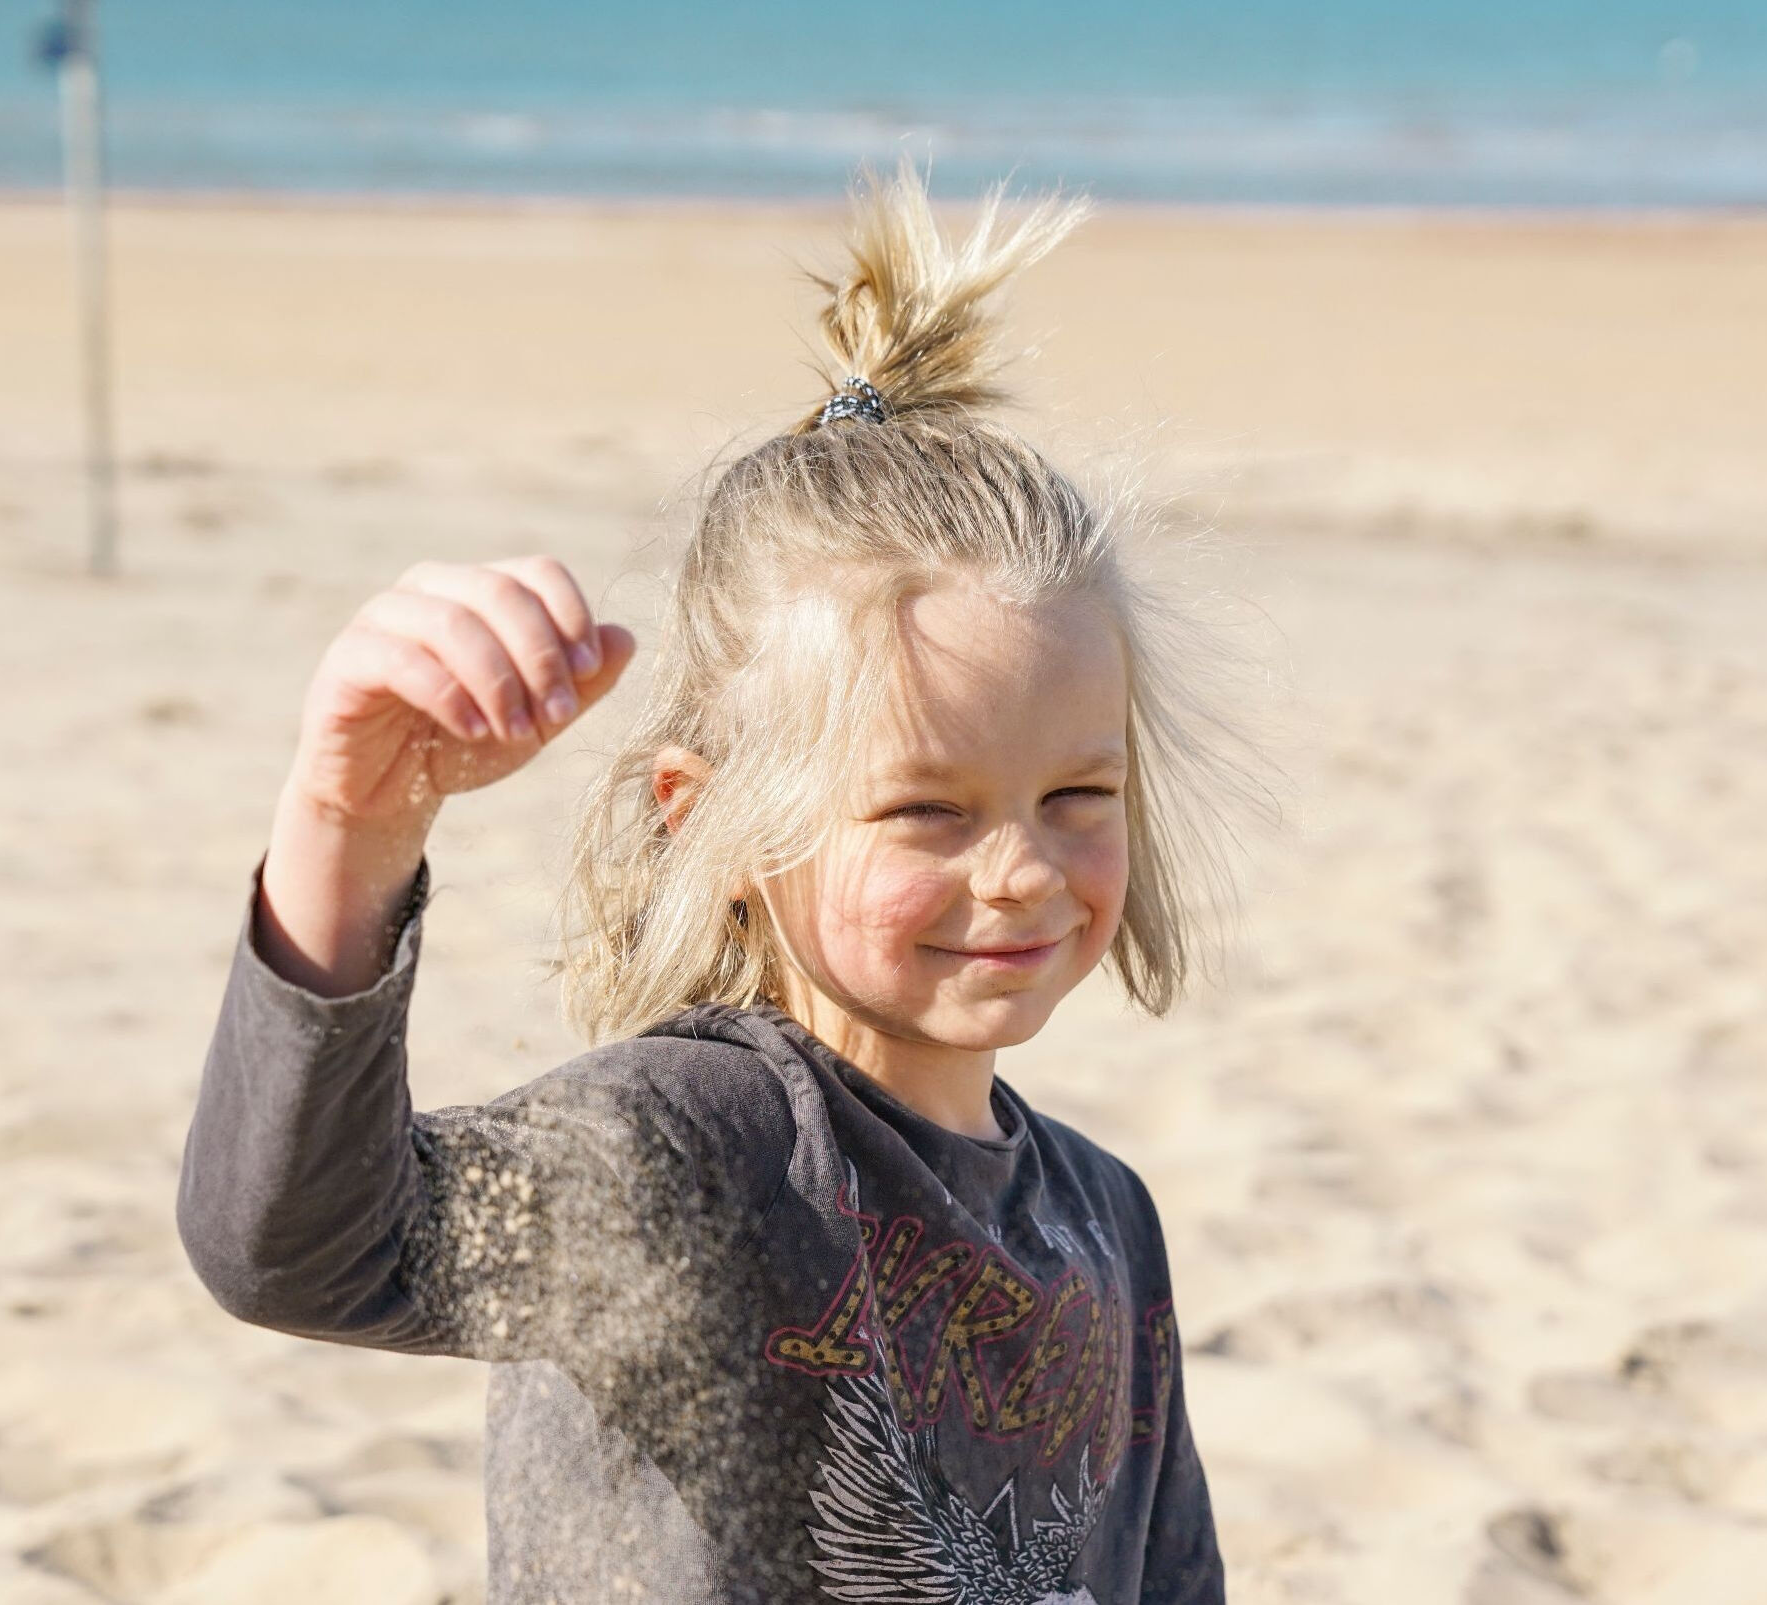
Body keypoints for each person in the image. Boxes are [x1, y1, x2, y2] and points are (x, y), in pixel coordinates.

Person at [177, 164, 1256, 1605]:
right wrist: (345, 835)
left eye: (1077, 797)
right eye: (928, 809)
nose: (1021, 870)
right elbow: (297, 1250)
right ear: (721, 822)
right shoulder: (684, 1150)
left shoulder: (1105, 1220)